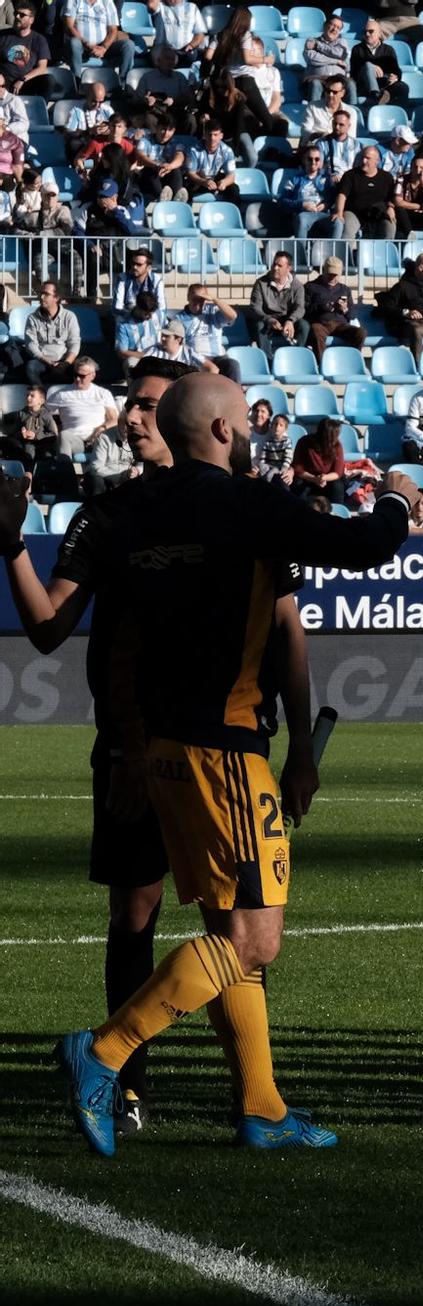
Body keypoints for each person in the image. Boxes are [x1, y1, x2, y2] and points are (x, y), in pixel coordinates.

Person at [44, 372, 420, 1157]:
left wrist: (126, 746)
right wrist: (395, 493)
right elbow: (365, 547)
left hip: (164, 753)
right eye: (245, 417)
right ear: (221, 431)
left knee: (226, 928)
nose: (252, 428)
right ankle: (104, 1050)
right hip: (226, 750)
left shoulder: (132, 511)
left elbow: (110, 638)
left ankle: (262, 1106)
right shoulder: (245, 503)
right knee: (255, 942)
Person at [0, 357, 209, 1130]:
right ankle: (126, 1082)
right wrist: (11, 545)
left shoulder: (228, 511)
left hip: (215, 747)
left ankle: (254, 1094)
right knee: (136, 914)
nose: (135, 418)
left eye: (152, 406)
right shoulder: (107, 515)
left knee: (239, 924)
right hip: (129, 748)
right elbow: (50, 626)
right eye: (132, 407)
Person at [48, 359, 119, 458]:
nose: (77, 379)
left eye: (82, 376)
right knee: (64, 435)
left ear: (92, 375)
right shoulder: (62, 394)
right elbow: (43, 412)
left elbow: (114, 420)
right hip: (74, 440)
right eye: (75, 375)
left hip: (98, 439)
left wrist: (102, 428)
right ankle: (64, 470)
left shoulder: (103, 393)